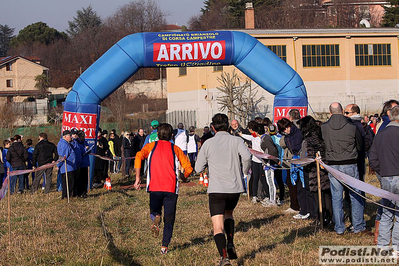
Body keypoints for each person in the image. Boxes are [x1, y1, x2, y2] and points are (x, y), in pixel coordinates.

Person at [195, 113, 251, 266]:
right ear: (228, 126)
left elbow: (198, 167)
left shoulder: (208, 143)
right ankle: (231, 242)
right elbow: (247, 157)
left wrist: (206, 165)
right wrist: (245, 172)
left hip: (217, 189)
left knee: (217, 226)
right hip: (234, 189)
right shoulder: (237, 140)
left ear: (212, 128)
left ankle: (224, 257)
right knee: (229, 213)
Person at [134, 123, 193, 255]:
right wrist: (183, 177)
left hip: (155, 186)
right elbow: (188, 167)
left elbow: (138, 156)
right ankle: (164, 246)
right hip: (171, 187)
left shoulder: (151, 146)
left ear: (157, 134)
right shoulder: (176, 149)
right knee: (170, 218)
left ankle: (156, 216)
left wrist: (138, 177)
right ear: (172, 135)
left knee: (154, 211)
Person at [321, 102, 366, 235]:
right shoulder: (352, 126)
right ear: (342, 111)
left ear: (330, 113)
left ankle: (339, 227)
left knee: (336, 197)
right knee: (354, 195)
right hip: (350, 163)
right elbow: (359, 145)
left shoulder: (324, 127)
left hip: (333, 164)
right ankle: (357, 225)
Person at [369, 105, 399, 249]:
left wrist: (384, 171)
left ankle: (382, 246)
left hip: (386, 178)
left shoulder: (380, 134)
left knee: (387, 213)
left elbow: (372, 158)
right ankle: (396, 248)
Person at [297, 116, 332, 224]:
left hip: (315, 171)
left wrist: (304, 163)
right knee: (326, 195)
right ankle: (329, 217)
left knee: (318, 196)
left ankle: (320, 217)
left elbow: (311, 156)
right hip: (325, 169)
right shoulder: (321, 134)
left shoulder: (310, 139)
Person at [239, 121, 269, 204]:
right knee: (255, 178)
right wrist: (240, 134)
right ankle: (254, 196)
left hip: (262, 161)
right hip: (255, 160)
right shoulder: (253, 138)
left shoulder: (263, 138)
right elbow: (248, 137)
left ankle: (268, 196)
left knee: (263, 179)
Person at [277, 118, 303, 214]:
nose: (286, 131)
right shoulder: (288, 135)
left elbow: (283, 144)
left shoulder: (296, 134)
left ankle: (296, 206)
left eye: (286, 128)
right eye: (283, 130)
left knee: (294, 184)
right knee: (290, 183)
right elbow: (282, 144)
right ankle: (294, 205)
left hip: (294, 162)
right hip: (289, 162)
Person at [57, 130, 76, 200]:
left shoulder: (66, 143)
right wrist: (59, 165)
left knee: (69, 182)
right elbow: (62, 156)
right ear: (65, 136)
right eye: (70, 136)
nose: (71, 137)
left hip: (69, 166)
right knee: (68, 183)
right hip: (66, 167)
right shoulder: (64, 144)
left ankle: (68, 195)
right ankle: (66, 196)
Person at [76, 131, 89, 197]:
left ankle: (84, 192)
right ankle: (79, 192)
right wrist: (85, 149)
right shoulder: (77, 143)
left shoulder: (85, 142)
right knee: (79, 179)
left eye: (84, 136)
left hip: (85, 163)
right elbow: (79, 152)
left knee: (85, 179)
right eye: (82, 136)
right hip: (80, 163)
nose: (83, 138)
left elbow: (88, 148)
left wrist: (88, 149)